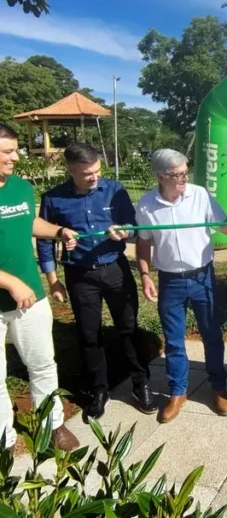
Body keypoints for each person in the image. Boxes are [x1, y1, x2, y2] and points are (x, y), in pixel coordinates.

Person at [136, 149, 227, 423]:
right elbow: (143, 241)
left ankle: (218, 387)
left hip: (202, 278)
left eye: (185, 172)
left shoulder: (200, 195)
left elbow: (223, 226)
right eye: (177, 174)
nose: (184, 178)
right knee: (174, 340)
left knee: (212, 335)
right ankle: (177, 392)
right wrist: (145, 275)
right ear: (160, 176)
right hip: (170, 281)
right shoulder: (146, 205)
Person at [37, 143, 156, 420]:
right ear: (71, 170)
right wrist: (53, 280)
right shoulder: (53, 198)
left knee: (128, 328)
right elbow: (44, 240)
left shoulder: (115, 190)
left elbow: (133, 227)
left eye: (98, 171)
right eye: (87, 173)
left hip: (115, 270)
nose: (95, 177)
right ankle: (99, 390)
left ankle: (141, 383)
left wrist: (124, 232)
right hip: (80, 276)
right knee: (89, 335)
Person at [0, 122, 79, 451]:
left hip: (30, 297)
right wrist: (9, 282)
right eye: (7, 152)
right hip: (14, 292)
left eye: (15, 150)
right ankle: (4, 439)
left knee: (43, 362)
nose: (15, 157)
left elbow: (28, 220)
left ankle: (53, 424)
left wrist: (58, 231)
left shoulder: (20, 187)